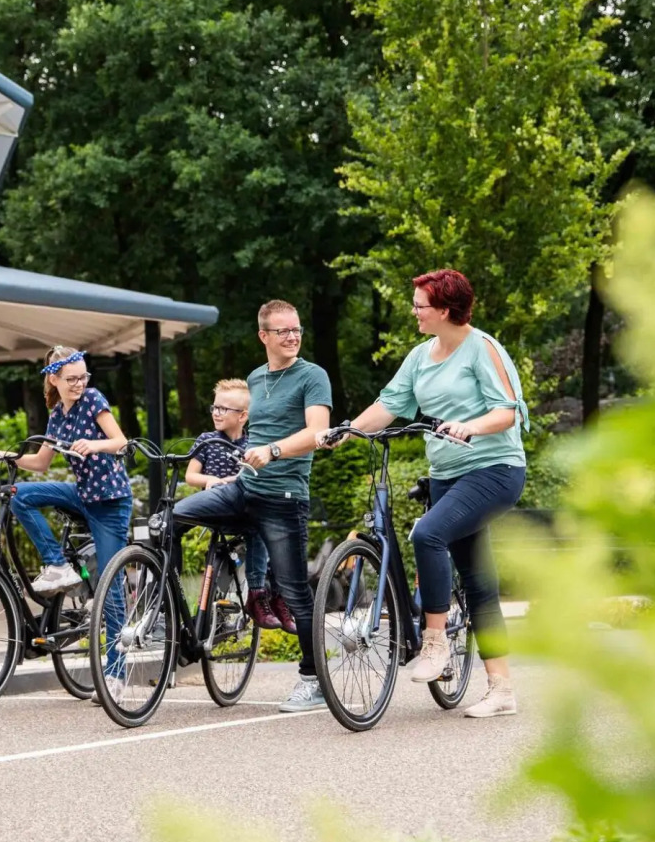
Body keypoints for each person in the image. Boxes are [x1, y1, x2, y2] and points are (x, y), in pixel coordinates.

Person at [319, 269, 527, 718]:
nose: (413, 311)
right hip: (447, 475)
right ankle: (502, 689)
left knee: (426, 534)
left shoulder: (483, 348)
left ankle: (435, 643)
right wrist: (349, 431)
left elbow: (508, 412)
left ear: (446, 310)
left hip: (494, 469)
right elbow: (390, 405)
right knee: (478, 584)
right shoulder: (419, 356)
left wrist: (469, 426)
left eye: (420, 305)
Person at [174, 300, 333, 712]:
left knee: (297, 592)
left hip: (284, 498)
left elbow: (318, 432)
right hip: (244, 489)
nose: (293, 336)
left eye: (296, 329)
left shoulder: (313, 376)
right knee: (170, 519)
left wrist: (274, 451)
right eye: (282, 331)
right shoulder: (255, 377)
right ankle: (168, 613)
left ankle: (313, 680)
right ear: (264, 336)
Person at [10, 345, 132, 702]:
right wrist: (9, 457)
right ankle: (57, 564)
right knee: (20, 495)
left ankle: (115, 675)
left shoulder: (93, 399)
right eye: (72, 379)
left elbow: (120, 441)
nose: (79, 384)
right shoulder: (56, 416)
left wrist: (95, 446)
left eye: (83, 377)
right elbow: (41, 463)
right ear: (54, 379)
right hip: (82, 493)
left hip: (110, 501)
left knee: (111, 587)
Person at [183, 378, 281, 630]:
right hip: (214, 505)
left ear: (243, 416)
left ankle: (257, 593)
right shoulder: (206, 440)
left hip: (243, 510)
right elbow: (191, 475)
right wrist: (211, 480)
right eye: (214, 407)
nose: (216, 413)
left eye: (223, 409)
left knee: (258, 529)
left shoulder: (253, 444)